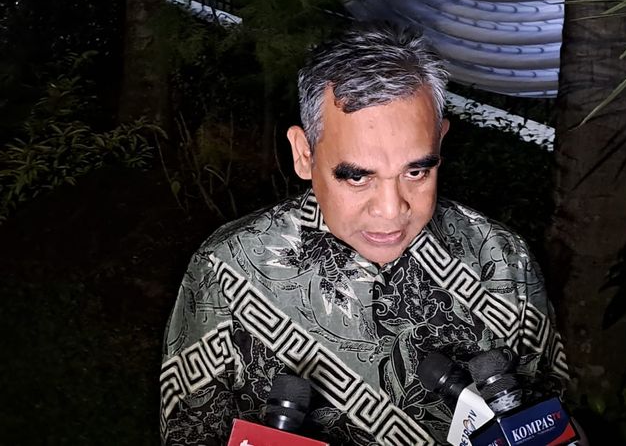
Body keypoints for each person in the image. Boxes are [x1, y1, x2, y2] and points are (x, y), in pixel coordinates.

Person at [159, 22, 568, 446]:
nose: (391, 210)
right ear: (304, 154)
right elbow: (189, 433)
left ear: (440, 142)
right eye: (357, 177)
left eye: (416, 171)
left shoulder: (503, 259)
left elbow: (555, 422)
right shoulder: (225, 271)